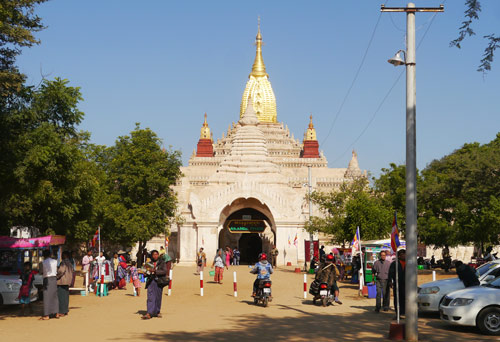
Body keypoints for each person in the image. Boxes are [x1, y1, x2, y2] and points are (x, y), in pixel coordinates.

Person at [142, 250, 168, 319]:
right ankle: (149, 313)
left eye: (156, 254)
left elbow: (164, 271)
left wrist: (155, 271)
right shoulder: (149, 263)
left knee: (158, 297)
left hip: (159, 282)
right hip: (151, 281)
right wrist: (145, 273)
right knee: (150, 297)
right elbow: (145, 272)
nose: (155, 256)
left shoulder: (162, 263)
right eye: (154, 254)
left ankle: (157, 311)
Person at [41, 250, 59, 320]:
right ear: (50, 254)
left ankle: (47, 314)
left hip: (46, 279)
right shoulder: (55, 261)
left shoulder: (42, 262)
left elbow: (41, 272)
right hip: (54, 279)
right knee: (54, 296)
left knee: (46, 297)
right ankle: (56, 313)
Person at [389, 249, 406, 317]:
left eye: (405, 254)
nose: (404, 256)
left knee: (405, 298)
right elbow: (390, 273)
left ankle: (404, 312)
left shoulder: (409, 263)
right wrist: (390, 281)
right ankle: (398, 313)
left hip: (407, 284)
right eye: (402, 255)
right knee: (398, 298)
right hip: (398, 284)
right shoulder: (394, 263)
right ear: (399, 256)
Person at [57, 251, 74, 317]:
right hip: (67, 282)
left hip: (62, 282)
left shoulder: (63, 263)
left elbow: (61, 271)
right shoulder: (70, 263)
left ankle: (62, 311)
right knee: (65, 296)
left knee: (61, 297)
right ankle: (65, 310)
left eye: (62, 255)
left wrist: (56, 276)